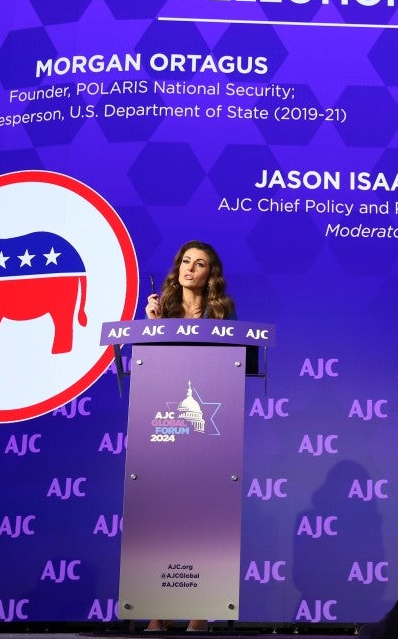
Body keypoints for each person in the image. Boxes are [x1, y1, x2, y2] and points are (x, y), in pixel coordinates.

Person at [144, 240, 236, 633]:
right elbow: (149, 365)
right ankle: (158, 610)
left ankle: (200, 612)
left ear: (208, 274)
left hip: (207, 435)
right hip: (163, 428)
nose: (189, 269)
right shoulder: (160, 310)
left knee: (203, 518)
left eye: (199, 264)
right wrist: (149, 324)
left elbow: (233, 361)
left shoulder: (221, 311)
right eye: (185, 261)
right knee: (162, 518)